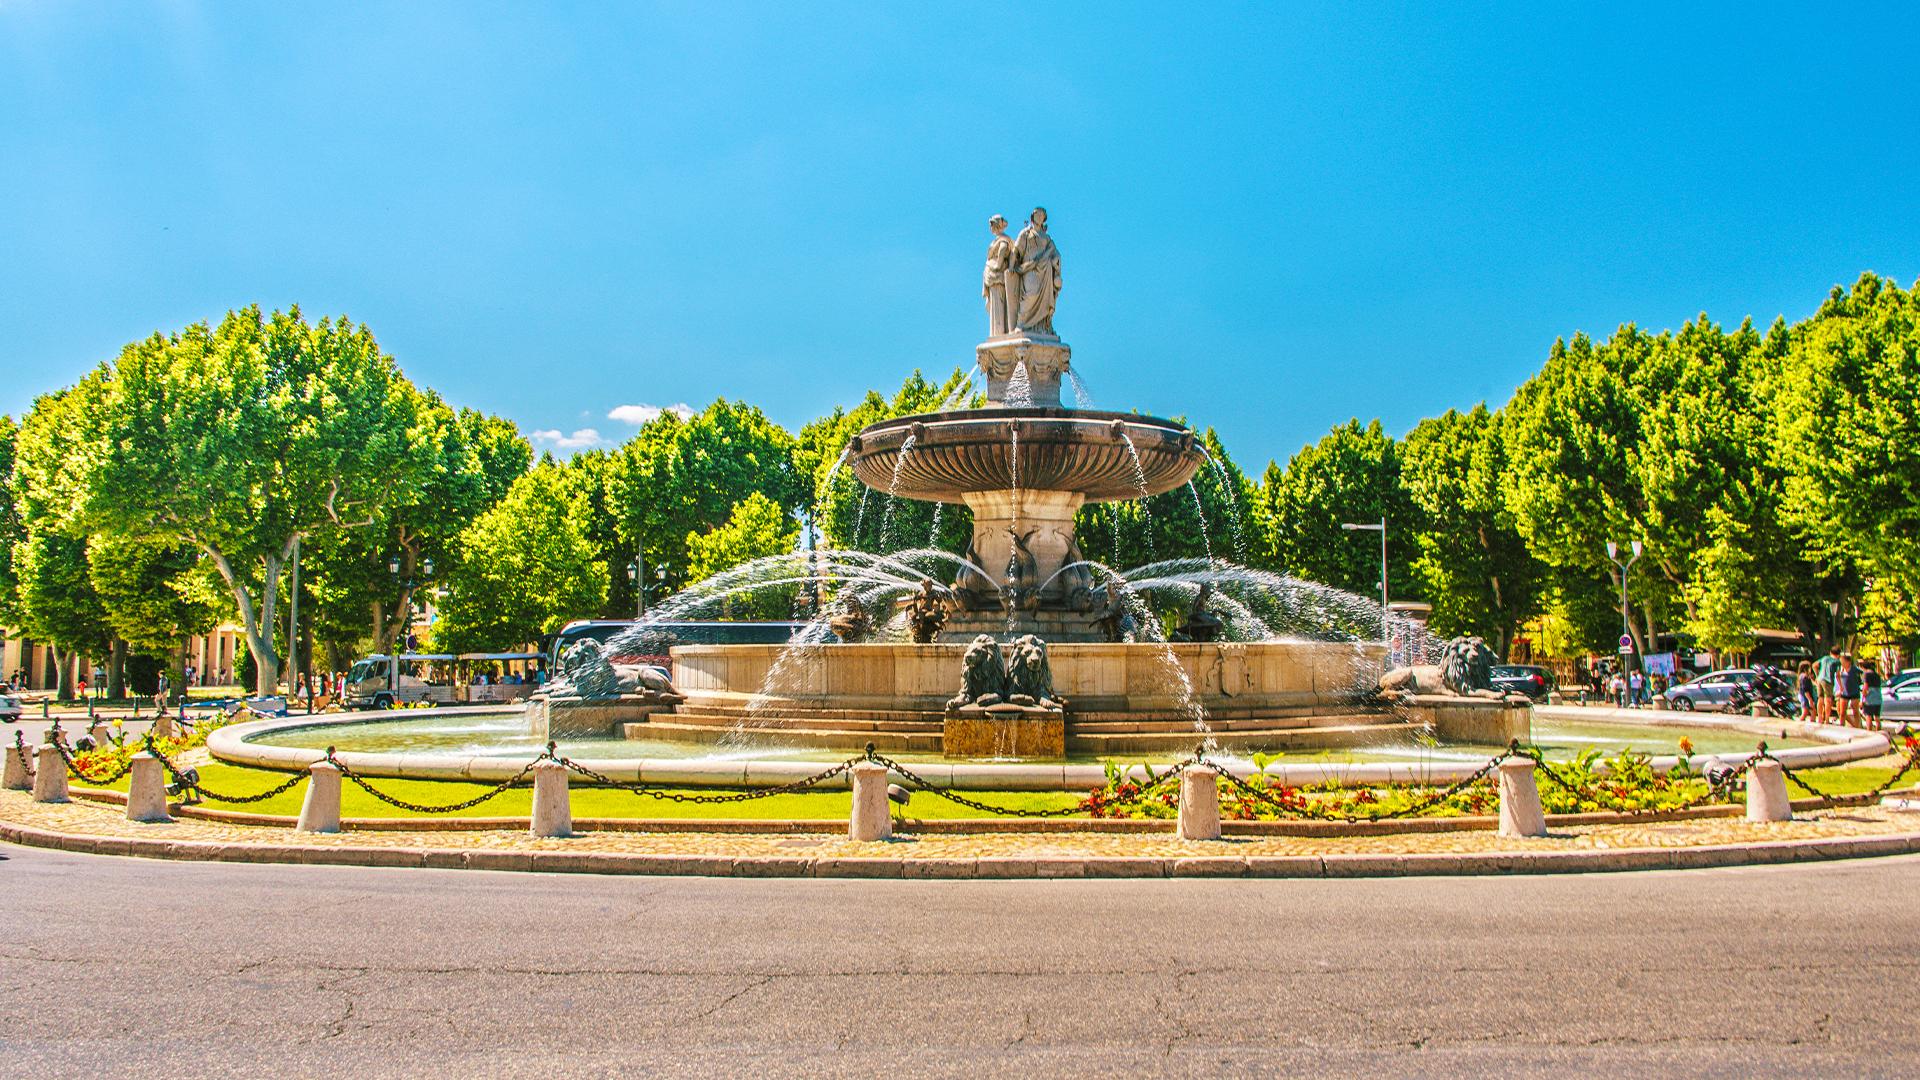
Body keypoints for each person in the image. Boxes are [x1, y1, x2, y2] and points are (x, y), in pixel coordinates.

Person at [1010, 207, 1063, 335]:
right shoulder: (1026, 234)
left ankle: (1042, 326)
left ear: (1044, 219)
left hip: (1045, 270)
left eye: (1042, 215)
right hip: (1030, 268)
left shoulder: (1046, 237)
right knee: (1030, 294)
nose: (1039, 217)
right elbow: (1016, 250)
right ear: (1032, 217)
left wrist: (1056, 267)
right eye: (1037, 214)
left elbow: (1055, 253)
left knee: (1044, 300)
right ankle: (1021, 324)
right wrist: (1011, 266)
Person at [982, 215, 1017, 336]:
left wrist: (998, 264)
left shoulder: (1004, 239)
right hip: (993, 276)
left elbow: (1003, 249)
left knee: (997, 305)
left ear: (996, 225)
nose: (990, 228)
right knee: (993, 304)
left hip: (997, 276)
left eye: (991, 225)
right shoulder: (1001, 239)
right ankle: (997, 332)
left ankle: (998, 333)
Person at [1814, 644, 1841, 723]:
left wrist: (1817, 675)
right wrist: (1841, 686)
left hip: (1820, 679)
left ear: (1830, 652)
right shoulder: (1837, 661)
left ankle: (1819, 718)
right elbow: (1838, 674)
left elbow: (1814, 665)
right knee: (1828, 700)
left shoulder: (1824, 658)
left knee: (1820, 698)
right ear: (1838, 654)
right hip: (1828, 680)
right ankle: (1826, 719)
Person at [1837, 653, 1863, 729]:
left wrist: (1862, 684)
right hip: (1844, 693)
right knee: (1842, 713)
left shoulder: (1854, 669)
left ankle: (1857, 727)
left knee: (1856, 711)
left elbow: (1863, 673)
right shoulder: (1840, 669)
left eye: (1843, 661)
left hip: (1854, 691)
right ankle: (1842, 727)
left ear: (1848, 662)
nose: (1842, 662)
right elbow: (1837, 677)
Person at [1863, 660, 1883, 730]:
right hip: (1878, 696)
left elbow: (1866, 686)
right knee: (1877, 716)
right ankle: (1879, 730)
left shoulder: (1866, 674)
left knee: (1869, 716)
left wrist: (1863, 698)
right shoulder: (1877, 675)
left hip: (1870, 697)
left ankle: (1869, 731)